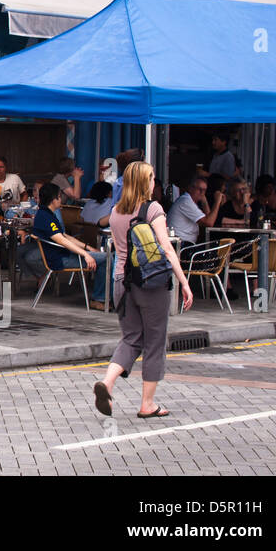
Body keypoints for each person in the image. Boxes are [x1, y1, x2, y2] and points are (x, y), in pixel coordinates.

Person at [93, 161, 193, 419]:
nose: (153, 184)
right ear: (143, 182)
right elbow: (167, 249)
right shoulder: (153, 209)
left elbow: (119, 249)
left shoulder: (115, 212)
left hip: (121, 282)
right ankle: (147, 404)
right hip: (151, 284)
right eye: (151, 179)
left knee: (131, 338)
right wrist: (184, 282)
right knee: (154, 342)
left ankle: (107, 382)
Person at [31, 182, 109, 309]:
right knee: (107, 258)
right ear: (53, 199)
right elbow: (62, 240)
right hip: (60, 260)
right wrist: (85, 254)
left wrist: (88, 248)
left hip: (63, 255)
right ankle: (99, 299)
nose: (61, 199)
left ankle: (101, 297)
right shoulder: (45, 217)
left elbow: (65, 236)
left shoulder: (47, 214)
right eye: (59, 196)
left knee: (102, 256)